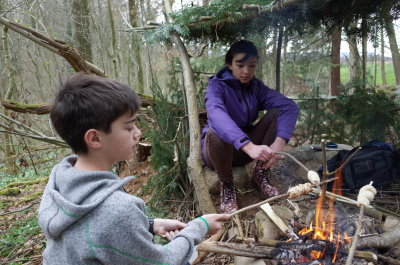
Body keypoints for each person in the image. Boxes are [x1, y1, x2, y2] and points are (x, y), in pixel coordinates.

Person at [38, 73, 231, 265]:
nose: (138, 133)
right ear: (95, 138)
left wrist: (149, 224)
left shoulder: (59, 181)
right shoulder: (117, 210)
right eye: (129, 127)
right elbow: (163, 262)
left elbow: (90, 234)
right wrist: (199, 227)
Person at [201, 40, 300, 213]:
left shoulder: (256, 87)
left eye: (251, 66)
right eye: (240, 65)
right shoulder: (215, 87)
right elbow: (216, 115)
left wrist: (277, 145)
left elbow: (289, 107)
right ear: (229, 64)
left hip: (245, 151)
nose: (246, 71)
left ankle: (260, 173)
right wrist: (248, 145)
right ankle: (227, 185)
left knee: (277, 112)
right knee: (216, 131)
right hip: (217, 152)